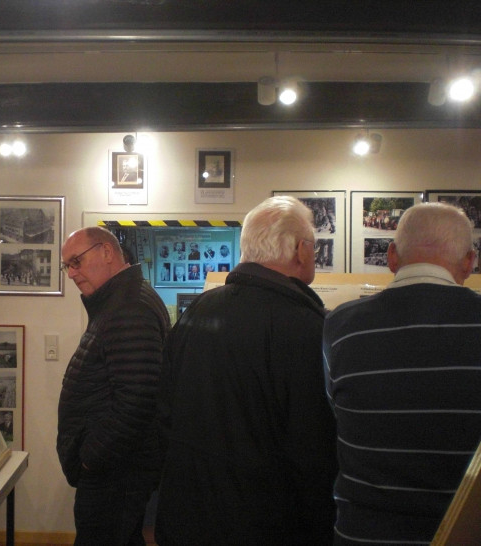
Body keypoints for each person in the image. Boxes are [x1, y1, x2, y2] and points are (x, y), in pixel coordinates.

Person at [156, 195, 337, 545]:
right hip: (265, 523)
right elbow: (312, 448)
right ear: (301, 250)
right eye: (313, 246)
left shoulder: (198, 310)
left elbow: (164, 412)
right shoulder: (306, 326)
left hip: (188, 515)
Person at [323, 202, 481, 545]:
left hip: (364, 534)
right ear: (470, 261)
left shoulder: (341, 326)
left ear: (392, 256)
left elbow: (336, 412)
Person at [57, 226, 170, 546]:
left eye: (76, 261)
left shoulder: (129, 308)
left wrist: (90, 458)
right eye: (67, 266)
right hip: (115, 471)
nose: (72, 273)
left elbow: (137, 399)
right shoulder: (119, 301)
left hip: (115, 473)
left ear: (107, 252)